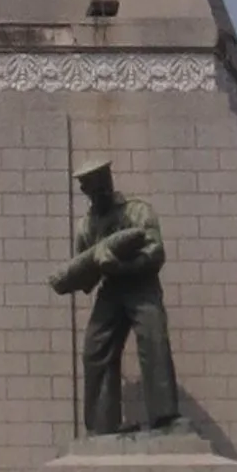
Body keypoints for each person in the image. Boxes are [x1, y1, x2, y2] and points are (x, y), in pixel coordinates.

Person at [51, 161, 180, 436]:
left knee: (154, 339)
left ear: (108, 182)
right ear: (85, 191)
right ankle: (103, 424)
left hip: (141, 284)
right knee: (95, 348)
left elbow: (156, 252)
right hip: (111, 289)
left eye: (101, 184)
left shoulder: (137, 210)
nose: (98, 191)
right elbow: (85, 271)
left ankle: (165, 417)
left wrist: (123, 265)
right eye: (90, 187)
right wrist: (77, 276)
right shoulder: (86, 225)